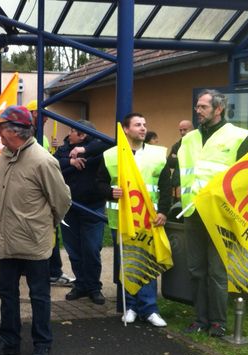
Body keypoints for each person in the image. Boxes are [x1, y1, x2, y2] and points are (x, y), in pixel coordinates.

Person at [0, 105, 71, 355]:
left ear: (15, 131)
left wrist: (44, 224)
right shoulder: (5, 155)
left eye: (0, 128)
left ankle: (42, 343)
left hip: (35, 242)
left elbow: (63, 200)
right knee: (7, 292)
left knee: (39, 295)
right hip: (8, 242)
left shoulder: (43, 160)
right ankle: (9, 340)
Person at [178, 89, 248, 337]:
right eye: (197, 106)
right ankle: (200, 319)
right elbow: (174, 168)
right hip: (193, 213)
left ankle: (218, 322)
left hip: (221, 216)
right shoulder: (188, 139)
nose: (197, 111)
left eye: (202, 107)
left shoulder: (239, 137)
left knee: (217, 272)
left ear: (218, 109)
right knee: (195, 270)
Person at [96, 112, 171, 327]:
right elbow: (99, 183)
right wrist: (110, 192)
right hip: (121, 219)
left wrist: (164, 212)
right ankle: (130, 307)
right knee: (126, 263)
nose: (143, 128)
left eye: (145, 124)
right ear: (126, 129)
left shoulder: (158, 155)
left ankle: (149, 309)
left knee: (147, 262)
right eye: (138, 125)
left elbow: (166, 187)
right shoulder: (111, 155)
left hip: (149, 220)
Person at [54, 120, 111, 305]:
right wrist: (71, 161)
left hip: (93, 207)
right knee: (74, 250)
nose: (69, 133)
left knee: (92, 249)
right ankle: (81, 285)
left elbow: (112, 142)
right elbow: (53, 163)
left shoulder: (97, 149)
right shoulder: (63, 150)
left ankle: (94, 287)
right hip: (70, 208)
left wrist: (84, 151)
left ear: (83, 135)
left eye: (72, 131)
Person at [26, 99, 73, 286]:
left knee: (50, 232)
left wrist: (54, 148)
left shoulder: (42, 137)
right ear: (32, 113)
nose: (46, 118)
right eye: (41, 114)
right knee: (48, 232)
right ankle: (52, 271)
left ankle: (52, 270)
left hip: (43, 189)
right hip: (36, 192)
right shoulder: (29, 135)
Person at [168, 120, 194, 203]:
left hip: (192, 187)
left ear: (192, 130)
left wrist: (177, 157)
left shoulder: (198, 144)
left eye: (185, 130)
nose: (182, 132)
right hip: (177, 186)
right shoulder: (177, 145)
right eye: (180, 130)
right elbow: (170, 162)